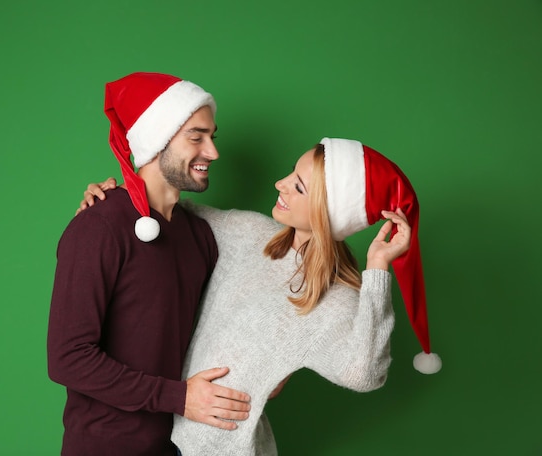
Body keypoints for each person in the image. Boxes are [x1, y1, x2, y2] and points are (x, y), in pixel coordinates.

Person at [80, 138, 442, 455]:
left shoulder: (337, 298)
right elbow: (170, 211)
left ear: (327, 212)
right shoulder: (247, 232)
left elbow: (364, 375)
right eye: (291, 173)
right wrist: (116, 198)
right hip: (164, 434)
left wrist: (377, 269)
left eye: (298, 187)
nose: (280, 184)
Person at [47, 72, 251, 456]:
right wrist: (179, 397)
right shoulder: (99, 226)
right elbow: (67, 359)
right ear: (157, 140)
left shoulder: (199, 236)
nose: (213, 152)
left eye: (212, 136)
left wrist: (265, 372)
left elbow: (217, 328)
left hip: (180, 445)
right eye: (196, 137)